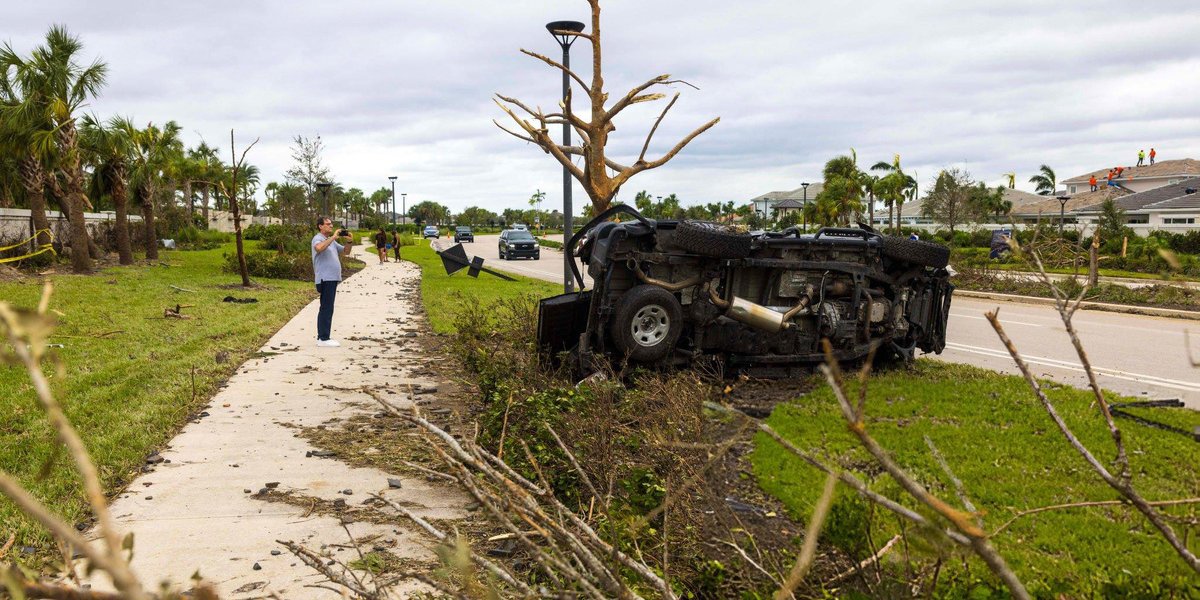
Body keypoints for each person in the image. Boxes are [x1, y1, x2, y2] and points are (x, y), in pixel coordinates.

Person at [311, 216, 353, 347]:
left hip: (332, 278)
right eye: (328, 224)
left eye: (331, 224)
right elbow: (318, 248)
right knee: (326, 307)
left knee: (328, 307)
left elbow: (346, 252)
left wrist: (350, 241)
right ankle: (323, 338)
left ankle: (323, 337)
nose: (331, 226)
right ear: (320, 226)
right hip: (325, 278)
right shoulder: (318, 238)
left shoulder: (331, 242)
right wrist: (334, 237)